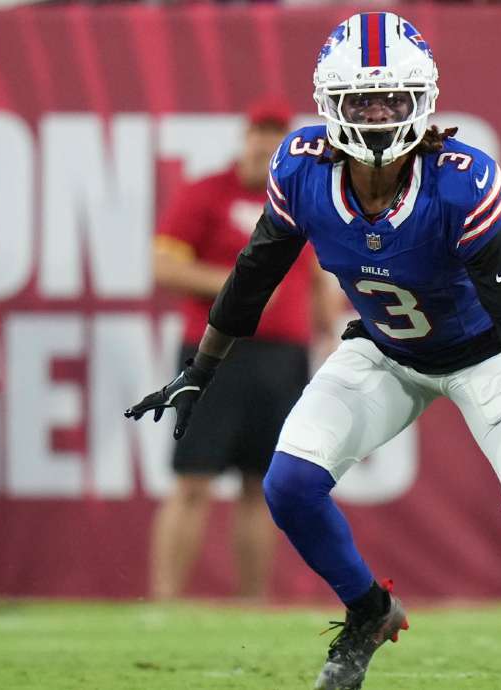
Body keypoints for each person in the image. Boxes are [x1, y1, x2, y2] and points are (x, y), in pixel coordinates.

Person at [126, 12, 501, 690]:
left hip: (483, 357)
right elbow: (254, 274)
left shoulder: (457, 183)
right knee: (289, 486)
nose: (376, 115)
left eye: (392, 100)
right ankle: (369, 611)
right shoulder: (304, 170)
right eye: (361, 100)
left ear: (421, 102)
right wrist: (202, 368)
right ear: (330, 105)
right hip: (384, 351)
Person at [147, 99, 340, 600]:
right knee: (193, 478)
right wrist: (235, 285)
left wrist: (328, 327)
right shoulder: (206, 193)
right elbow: (164, 265)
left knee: (262, 483)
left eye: (277, 137)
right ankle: (165, 603)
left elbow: (317, 272)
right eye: (260, 134)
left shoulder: (301, 201)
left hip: (283, 357)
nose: (266, 145)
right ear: (245, 139)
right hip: (215, 352)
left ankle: (252, 602)